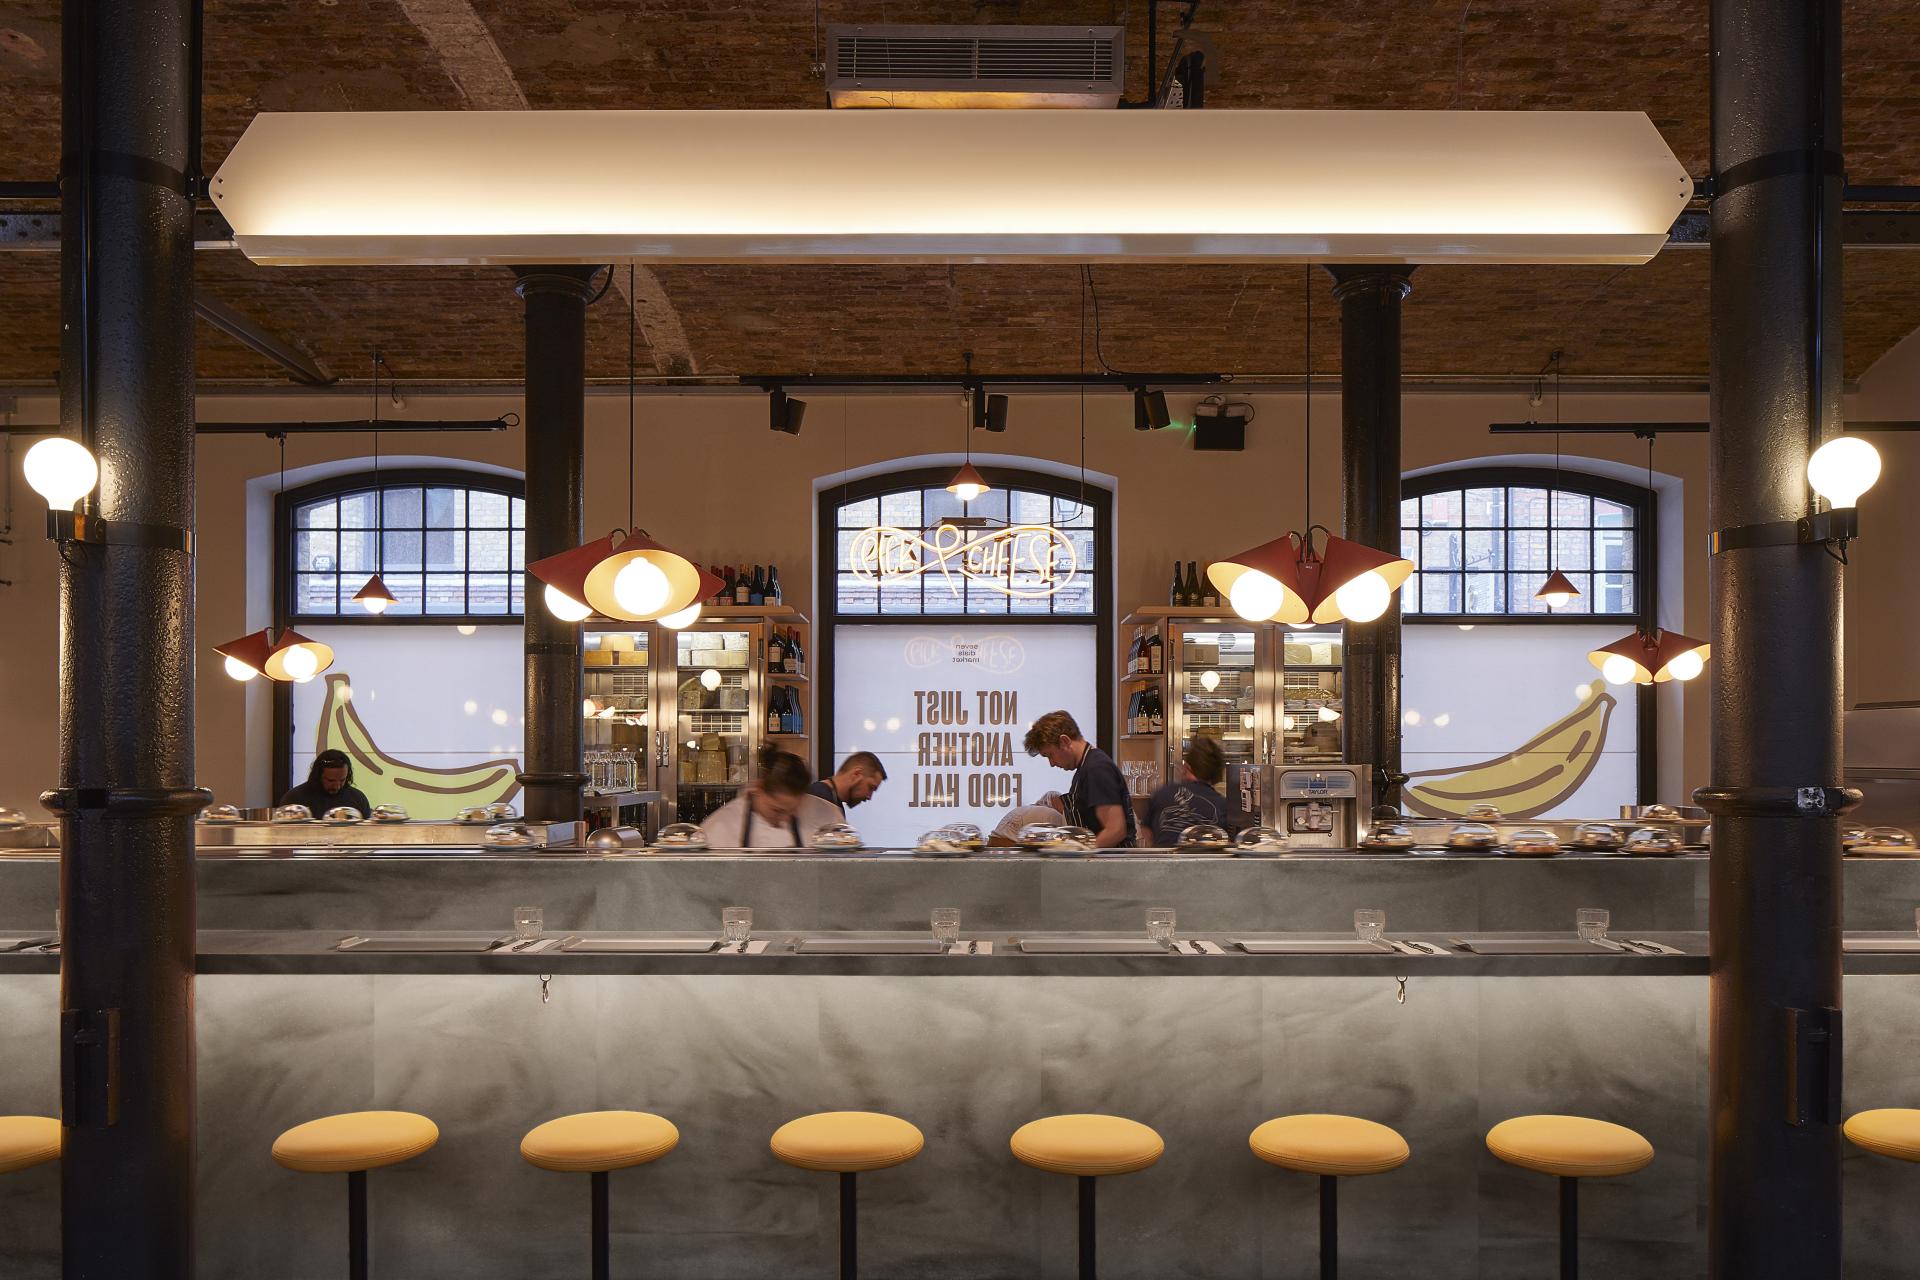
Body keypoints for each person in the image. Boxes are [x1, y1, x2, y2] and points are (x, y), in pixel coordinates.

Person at [1022, 710, 1136, 848]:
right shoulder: (1085, 767)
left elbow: (1116, 830)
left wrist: (1077, 850)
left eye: (1050, 755)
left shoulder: (1096, 769)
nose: (1051, 764)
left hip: (1110, 865)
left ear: (1064, 741)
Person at [703, 745, 844, 849]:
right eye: (778, 811)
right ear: (757, 788)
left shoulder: (827, 816)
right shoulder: (723, 825)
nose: (785, 819)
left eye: (793, 810)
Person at [1146, 735, 1230, 846]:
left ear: (1186, 767)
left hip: (1162, 861)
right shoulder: (1223, 805)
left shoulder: (1162, 793)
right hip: (1206, 863)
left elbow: (1147, 834)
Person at [279, 748, 372, 818]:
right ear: (317, 776)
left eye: (342, 780)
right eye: (331, 781)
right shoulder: (295, 799)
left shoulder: (357, 798)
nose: (337, 786)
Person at [809, 751, 887, 816]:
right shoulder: (821, 800)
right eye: (871, 787)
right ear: (856, 774)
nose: (869, 797)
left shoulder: (832, 801)